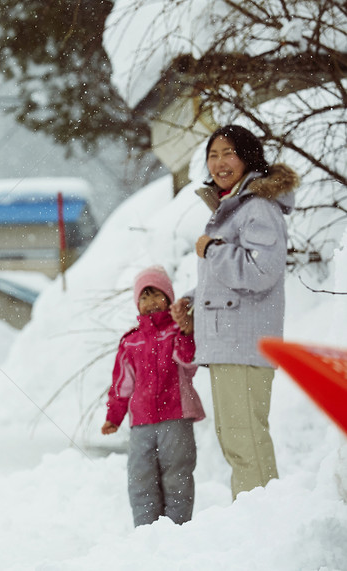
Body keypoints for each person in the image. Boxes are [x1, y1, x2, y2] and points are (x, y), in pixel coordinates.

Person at [170, 124, 299, 501]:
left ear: (248, 157)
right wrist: (193, 300)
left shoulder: (257, 207)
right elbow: (231, 278)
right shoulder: (234, 208)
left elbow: (260, 270)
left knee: (246, 442)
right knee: (236, 441)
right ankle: (254, 521)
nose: (220, 162)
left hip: (245, 344)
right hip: (230, 343)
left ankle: (264, 525)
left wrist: (212, 250)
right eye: (213, 154)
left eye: (229, 153)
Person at [102, 265, 204, 527]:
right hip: (141, 424)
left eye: (156, 294)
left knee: (177, 478)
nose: (150, 302)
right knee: (141, 478)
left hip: (176, 417)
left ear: (169, 298)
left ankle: (177, 531)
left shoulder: (178, 331)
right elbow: (122, 384)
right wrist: (114, 416)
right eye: (144, 297)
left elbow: (188, 361)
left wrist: (185, 333)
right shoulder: (131, 341)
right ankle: (146, 534)